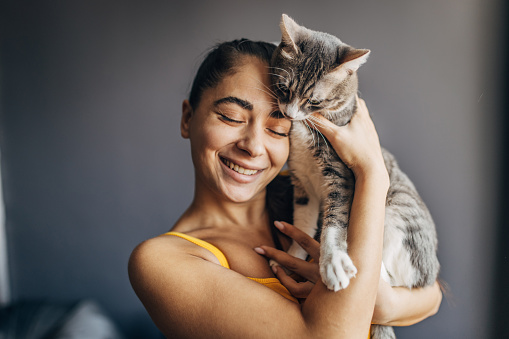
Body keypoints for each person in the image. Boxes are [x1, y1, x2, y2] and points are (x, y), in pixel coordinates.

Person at [128, 39, 442, 338]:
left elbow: (433, 293)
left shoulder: (313, 199)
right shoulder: (160, 263)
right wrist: (372, 171)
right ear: (187, 118)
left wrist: (385, 305)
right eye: (231, 117)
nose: (253, 146)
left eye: (277, 129)